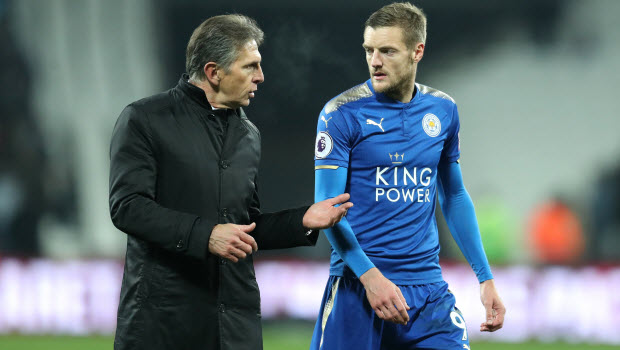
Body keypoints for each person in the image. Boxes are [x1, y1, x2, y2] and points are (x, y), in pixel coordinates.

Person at [109, 14, 353, 350]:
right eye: (250, 66)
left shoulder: (248, 134)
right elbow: (128, 208)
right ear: (213, 72)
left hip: (234, 325)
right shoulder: (145, 120)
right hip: (165, 324)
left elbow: (244, 227)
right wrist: (206, 235)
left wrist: (303, 221)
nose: (261, 77)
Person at [310, 3, 506, 349]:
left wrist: (484, 277)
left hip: (427, 291)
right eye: (369, 50)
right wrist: (371, 278)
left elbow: (454, 196)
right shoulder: (340, 114)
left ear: (418, 51)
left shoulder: (443, 110)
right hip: (358, 286)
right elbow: (327, 209)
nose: (375, 61)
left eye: (387, 51)